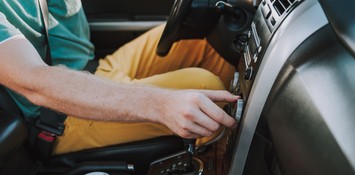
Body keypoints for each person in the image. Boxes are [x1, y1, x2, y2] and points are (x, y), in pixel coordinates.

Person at [0, 0, 238, 155]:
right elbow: (33, 81)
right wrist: (161, 104)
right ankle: (219, 173)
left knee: (203, 42)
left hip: (91, 70)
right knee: (205, 90)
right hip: (56, 115)